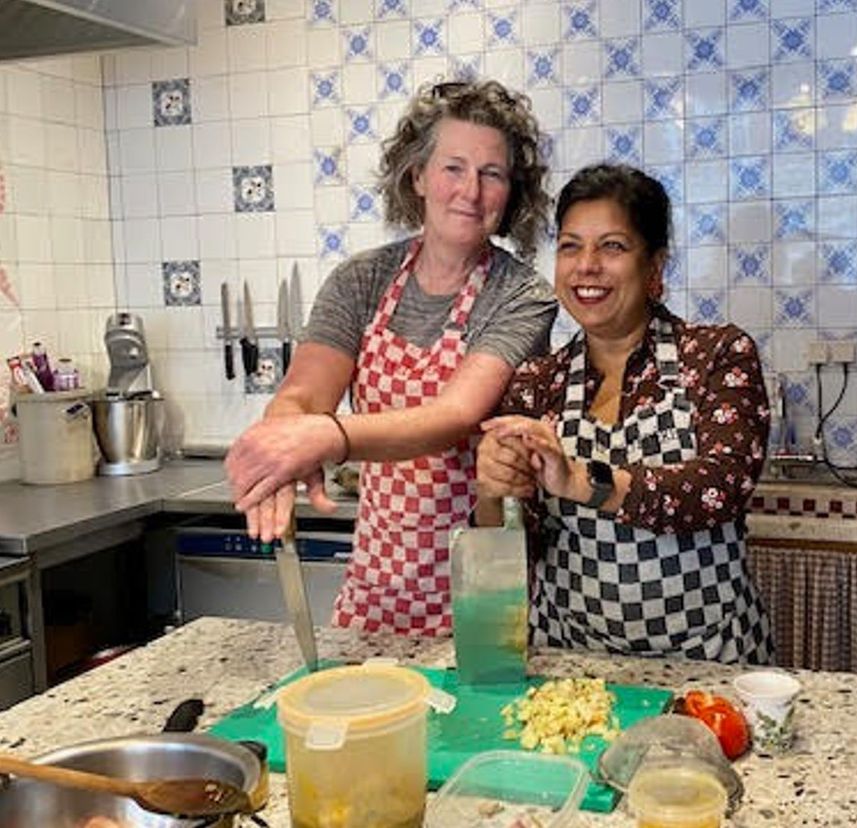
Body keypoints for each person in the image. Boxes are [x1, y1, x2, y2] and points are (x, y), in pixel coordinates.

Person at [225, 79, 558, 635]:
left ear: (511, 193)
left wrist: (328, 437)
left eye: (492, 174)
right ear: (418, 175)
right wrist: (282, 444)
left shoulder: (522, 295)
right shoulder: (362, 280)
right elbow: (304, 393)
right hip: (375, 589)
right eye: (453, 167)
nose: (470, 192)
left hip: (485, 593)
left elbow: (453, 417)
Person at [475, 163, 774, 663]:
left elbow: (718, 490)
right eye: (570, 246)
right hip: (568, 660)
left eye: (612, 246)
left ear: (654, 267)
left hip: (707, 658)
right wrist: (493, 490)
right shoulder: (537, 382)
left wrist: (580, 481)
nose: (586, 265)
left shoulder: (717, 355)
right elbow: (515, 544)